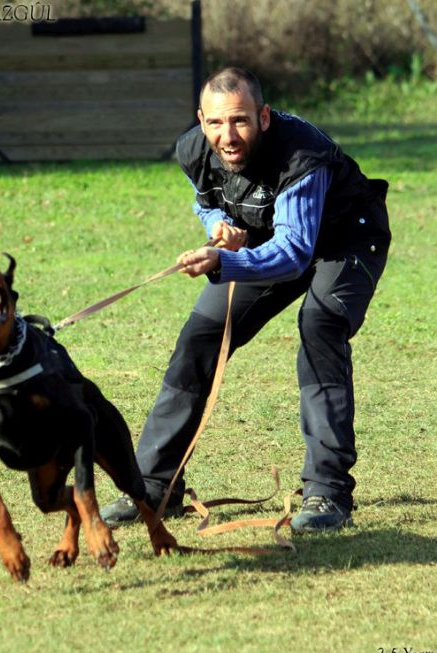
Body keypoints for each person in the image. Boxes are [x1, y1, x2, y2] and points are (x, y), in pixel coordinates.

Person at [101, 67, 391, 533]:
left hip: (346, 238)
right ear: (201, 121)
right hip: (267, 238)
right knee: (200, 337)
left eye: (239, 120)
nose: (227, 136)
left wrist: (223, 261)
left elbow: (293, 253)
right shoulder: (194, 148)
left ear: (264, 117)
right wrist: (220, 225)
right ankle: (153, 486)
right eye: (215, 123)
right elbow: (206, 200)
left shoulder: (302, 155)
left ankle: (328, 493)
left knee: (320, 325)